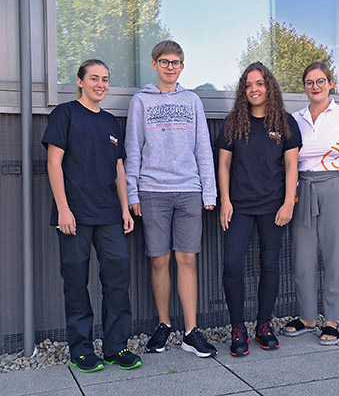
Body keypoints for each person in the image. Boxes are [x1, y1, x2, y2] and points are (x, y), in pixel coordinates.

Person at [42, 59, 142, 372]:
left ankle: (115, 347)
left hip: (110, 215)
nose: (100, 84)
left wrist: (125, 209)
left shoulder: (112, 123)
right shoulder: (65, 114)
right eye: (94, 78)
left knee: (117, 282)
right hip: (75, 216)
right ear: (80, 82)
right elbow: (53, 164)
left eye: (105, 79)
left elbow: (119, 169)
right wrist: (63, 209)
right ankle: (81, 350)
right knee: (76, 284)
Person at [124, 40, 218, 358]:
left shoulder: (192, 101)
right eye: (164, 61)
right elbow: (133, 148)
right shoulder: (141, 101)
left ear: (182, 66)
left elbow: (203, 148)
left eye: (176, 62)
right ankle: (163, 325)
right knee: (159, 260)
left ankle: (191, 332)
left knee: (187, 260)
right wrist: (133, 192)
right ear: (154, 65)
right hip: (152, 191)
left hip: (189, 190)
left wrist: (209, 190)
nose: (170, 67)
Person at [216, 62, 302, 357]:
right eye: (249, 85)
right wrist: (225, 200)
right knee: (233, 265)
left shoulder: (285, 123)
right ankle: (238, 327)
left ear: (269, 88)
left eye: (259, 84)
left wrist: (288, 202)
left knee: (270, 265)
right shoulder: (232, 123)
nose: (254, 89)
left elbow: (292, 165)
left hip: (273, 207)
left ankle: (264, 325)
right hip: (239, 206)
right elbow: (224, 164)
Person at [284, 61, 339, 345]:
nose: (315, 87)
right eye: (309, 82)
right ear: (304, 87)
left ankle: (331, 320)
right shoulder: (295, 119)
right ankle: (308, 317)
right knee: (303, 254)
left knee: (335, 253)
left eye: (320, 81)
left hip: (338, 185)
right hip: (304, 187)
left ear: (330, 83)